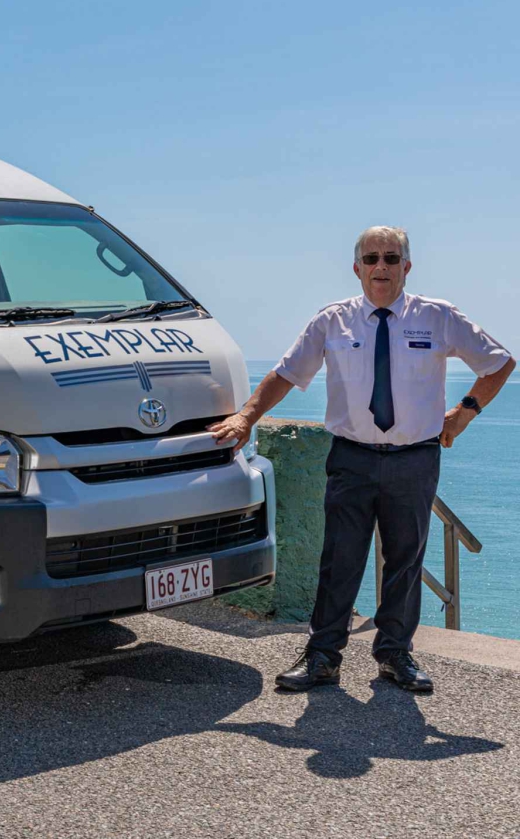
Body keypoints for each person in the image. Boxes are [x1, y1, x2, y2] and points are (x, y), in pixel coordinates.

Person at [209, 226, 513, 693]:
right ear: (357, 268)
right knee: (340, 559)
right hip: (352, 457)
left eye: (391, 259)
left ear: (406, 267)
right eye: (372, 259)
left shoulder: (437, 317)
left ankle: (395, 654)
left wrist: (464, 413)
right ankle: (323, 656)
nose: (381, 268)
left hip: (414, 458)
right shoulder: (334, 321)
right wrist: (247, 416)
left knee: (405, 560)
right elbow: (286, 373)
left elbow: (498, 362)